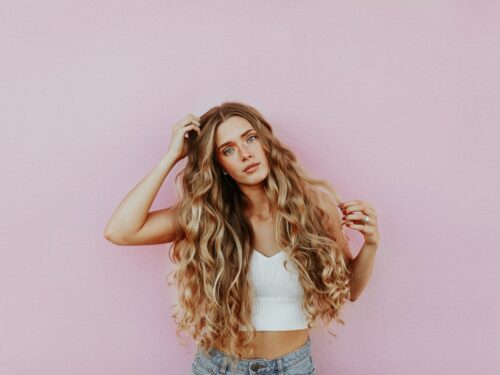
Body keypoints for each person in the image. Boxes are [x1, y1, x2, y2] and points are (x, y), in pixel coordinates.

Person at [104, 102, 380, 374]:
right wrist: (173, 156)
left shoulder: (315, 208)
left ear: (265, 142)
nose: (246, 154)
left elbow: (350, 290)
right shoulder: (206, 218)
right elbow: (120, 231)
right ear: (219, 164)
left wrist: (370, 244)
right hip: (219, 367)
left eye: (250, 138)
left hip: (293, 368)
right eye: (228, 149)